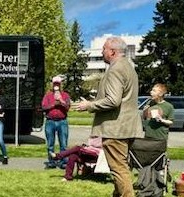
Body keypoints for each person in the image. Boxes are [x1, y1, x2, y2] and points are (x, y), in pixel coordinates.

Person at [76, 37, 143, 197]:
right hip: (127, 127)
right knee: (121, 168)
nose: (101, 52)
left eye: (104, 49)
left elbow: (113, 100)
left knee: (119, 170)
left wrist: (89, 105)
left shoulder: (116, 69)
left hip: (116, 129)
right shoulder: (128, 67)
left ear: (112, 51)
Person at [41, 76, 71, 169]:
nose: (56, 86)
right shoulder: (48, 95)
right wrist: (54, 104)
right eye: (55, 84)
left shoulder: (65, 95)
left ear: (61, 84)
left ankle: (63, 162)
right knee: (50, 144)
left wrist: (61, 100)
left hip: (62, 122)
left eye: (58, 84)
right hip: (50, 121)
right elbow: (44, 107)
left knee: (63, 144)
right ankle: (51, 161)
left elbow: (67, 107)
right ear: (52, 84)